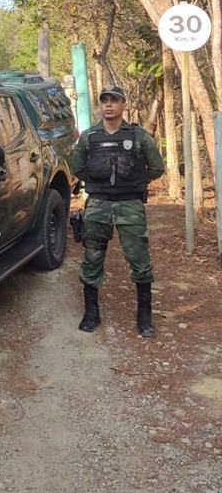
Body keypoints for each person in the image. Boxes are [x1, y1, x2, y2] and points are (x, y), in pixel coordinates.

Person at [71, 85, 165, 337]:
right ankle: (91, 313)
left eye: (114, 100)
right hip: (98, 205)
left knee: (140, 261)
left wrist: (134, 180)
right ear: (99, 105)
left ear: (124, 105)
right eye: (104, 101)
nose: (108, 105)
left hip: (130, 205)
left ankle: (144, 318)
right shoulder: (89, 137)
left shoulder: (138, 136)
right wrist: (99, 182)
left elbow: (157, 167)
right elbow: (78, 167)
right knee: (92, 259)